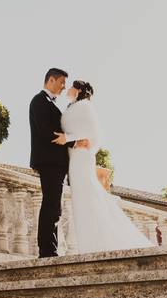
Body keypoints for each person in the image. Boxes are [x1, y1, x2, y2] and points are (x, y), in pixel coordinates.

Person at [53, 80, 153, 253]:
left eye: (71, 86)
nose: (67, 88)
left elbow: (92, 135)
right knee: (82, 199)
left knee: (88, 196)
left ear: (78, 90)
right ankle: (90, 244)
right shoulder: (72, 106)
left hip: (81, 158)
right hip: (74, 159)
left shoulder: (85, 106)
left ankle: (97, 244)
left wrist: (70, 140)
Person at [29, 68, 90, 257]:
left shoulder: (49, 103)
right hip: (49, 162)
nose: (64, 87)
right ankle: (47, 250)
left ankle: (50, 249)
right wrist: (74, 141)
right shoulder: (39, 101)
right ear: (51, 80)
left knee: (55, 206)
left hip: (55, 163)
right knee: (51, 205)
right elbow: (48, 133)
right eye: (62, 82)